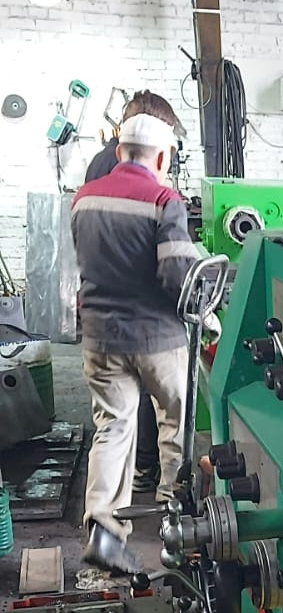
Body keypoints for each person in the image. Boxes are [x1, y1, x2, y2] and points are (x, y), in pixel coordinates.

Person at [71, 104, 198, 574]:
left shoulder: (83, 198)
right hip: (157, 337)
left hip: (100, 337)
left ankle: (104, 531)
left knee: (113, 427)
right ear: (161, 157)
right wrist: (205, 306)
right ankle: (176, 517)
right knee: (177, 423)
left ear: (120, 150)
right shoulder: (164, 200)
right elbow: (176, 274)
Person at [84, 92, 173, 493]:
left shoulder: (95, 174)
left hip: (102, 316)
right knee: (163, 404)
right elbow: (165, 264)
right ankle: (158, 485)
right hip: (142, 318)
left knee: (113, 419)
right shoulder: (146, 185)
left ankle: (109, 511)